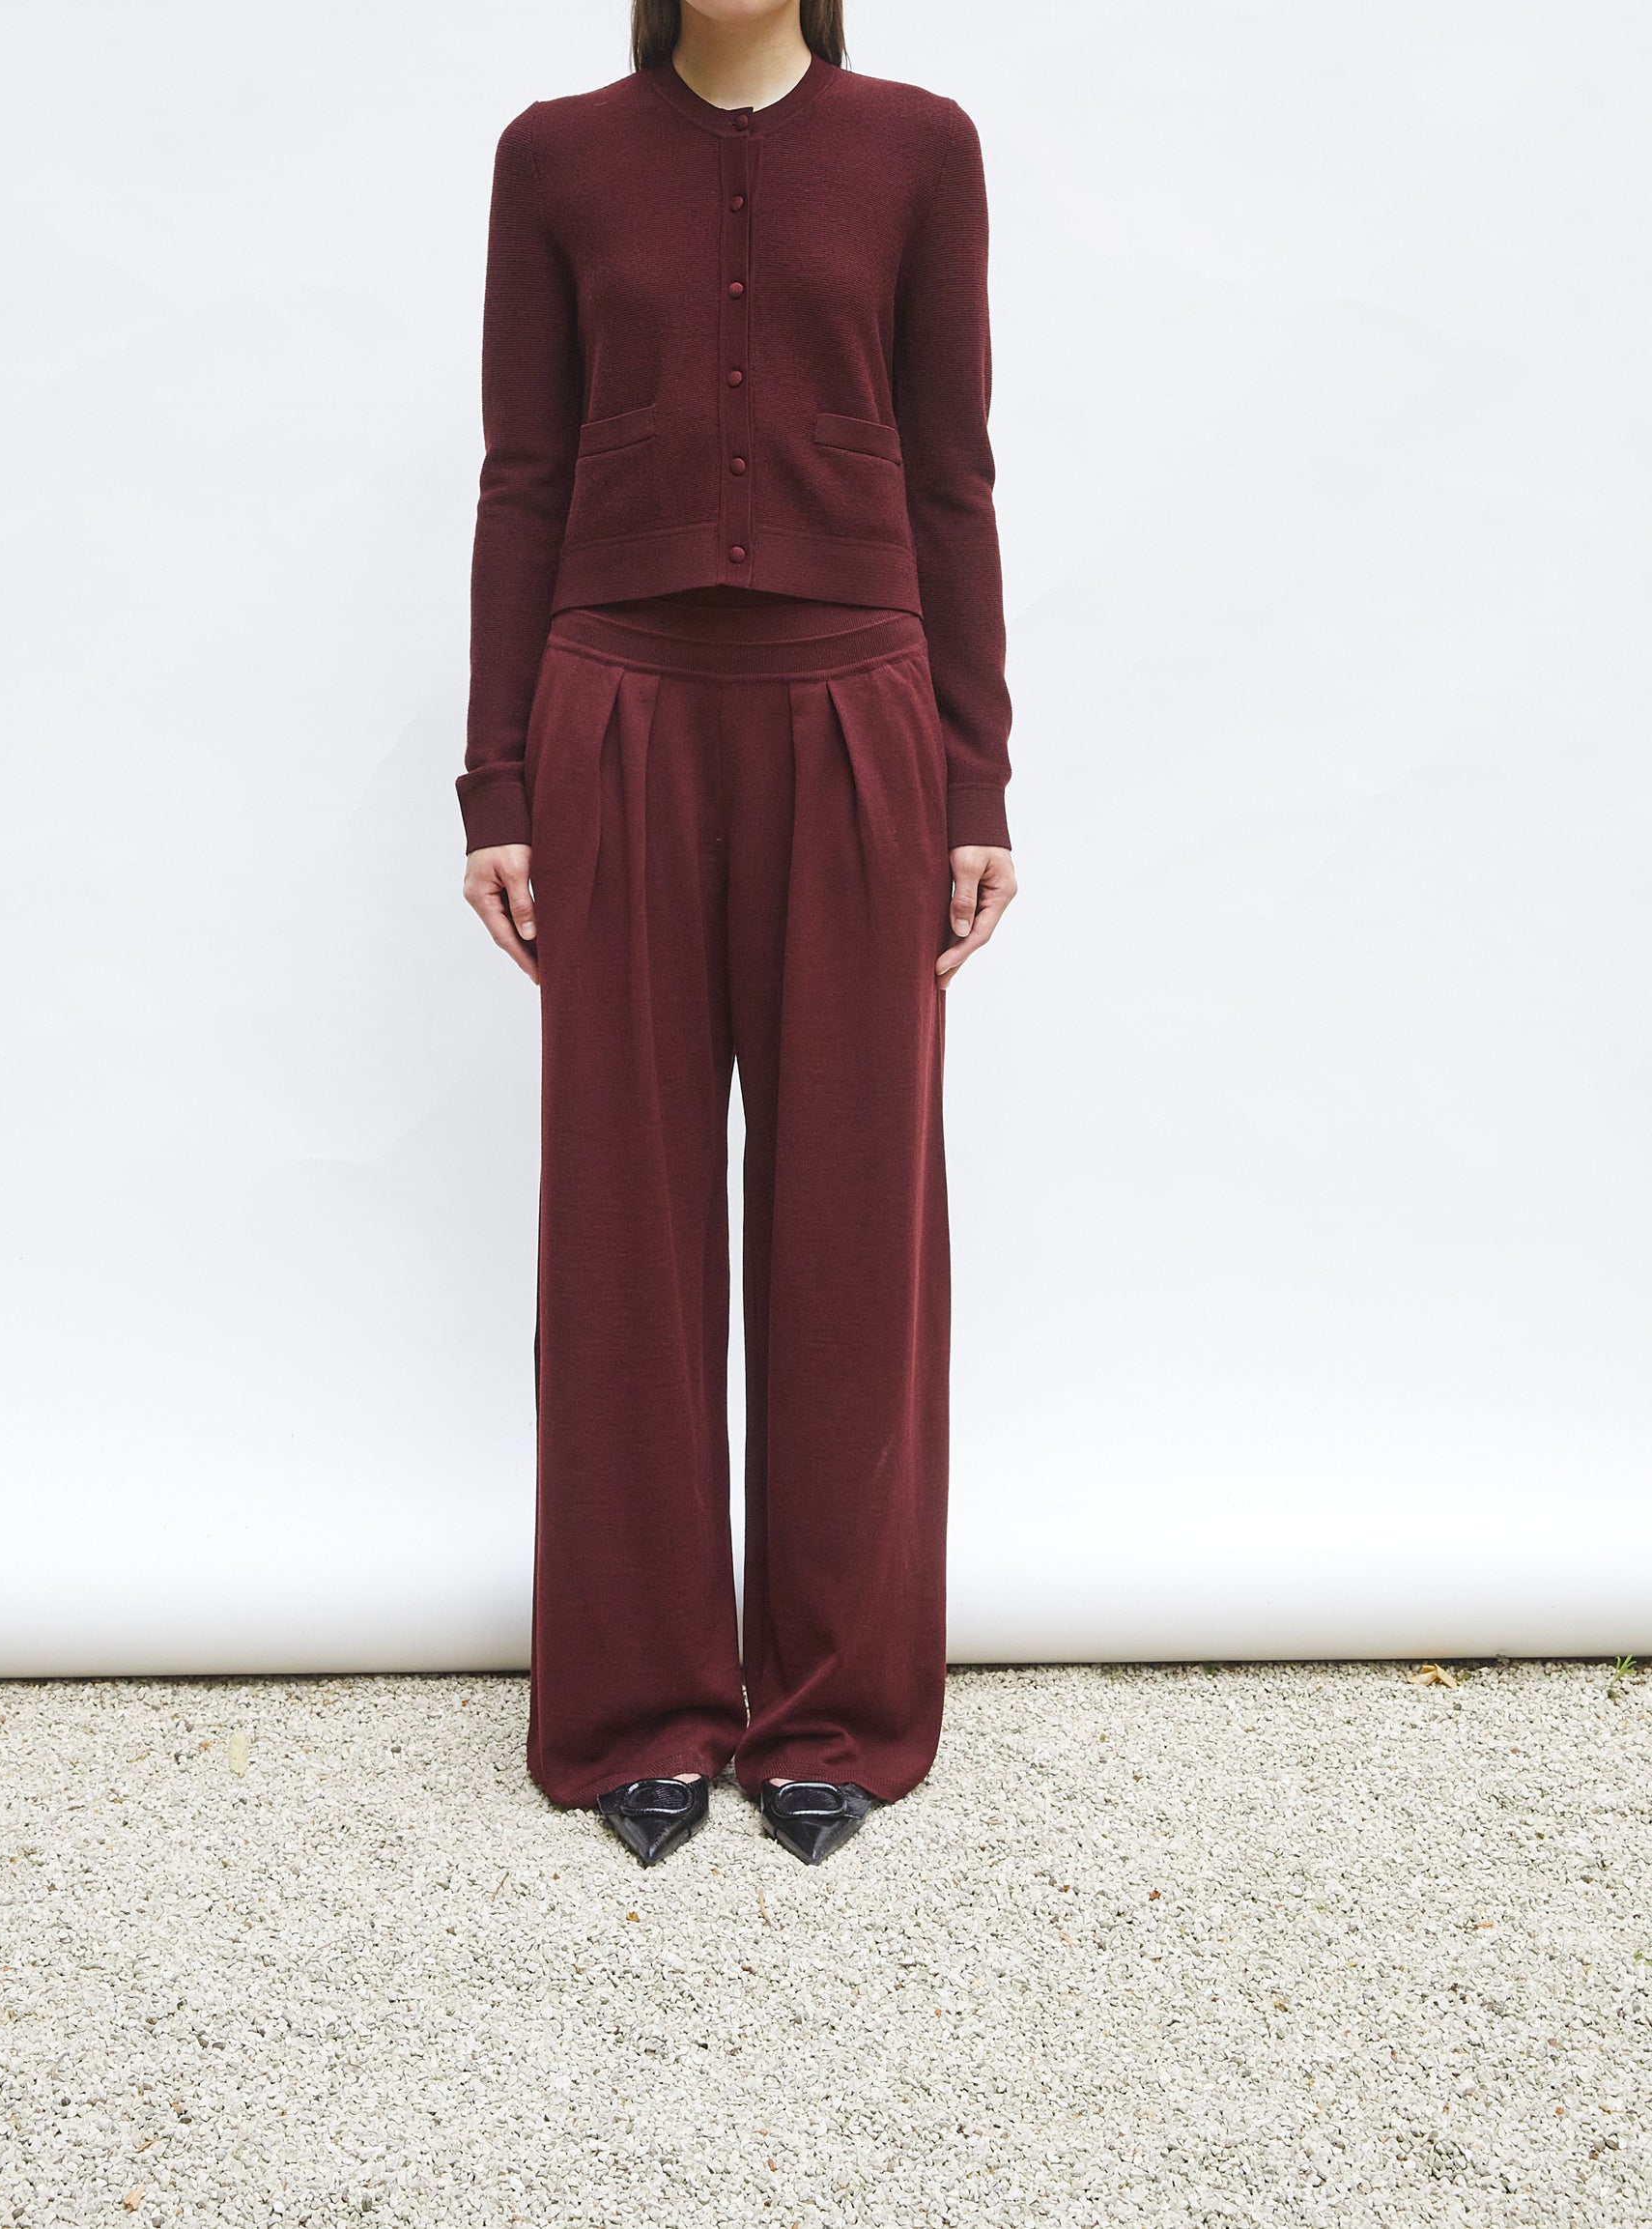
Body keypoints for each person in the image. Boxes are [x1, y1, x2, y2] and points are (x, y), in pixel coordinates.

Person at [458, 0, 1016, 1867]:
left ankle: (832, 1705)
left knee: (856, 1213)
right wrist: (498, 787)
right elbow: (523, 474)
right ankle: (639, 1700)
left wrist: (974, 782)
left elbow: (949, 472)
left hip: (861, 706)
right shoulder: (554, 155)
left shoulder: (917, 146)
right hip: (611, 705)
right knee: (621, 1217)